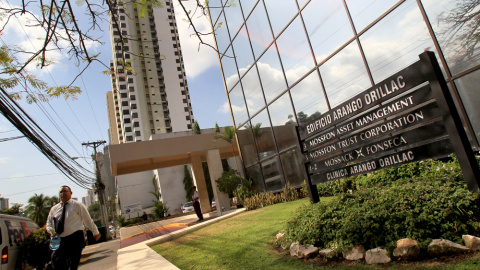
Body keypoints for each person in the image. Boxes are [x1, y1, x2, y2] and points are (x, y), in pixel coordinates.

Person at [46, 185, 101, 270]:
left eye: (65, 191)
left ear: (71, 193)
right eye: (60, 192)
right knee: (55, 259)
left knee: (73, 263)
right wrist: (52, 232)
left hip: (75, 238)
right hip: (61, 239)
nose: (62, 194)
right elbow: (48, 224)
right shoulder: (54, 209)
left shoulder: (78, 205)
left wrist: (95, 232)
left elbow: (87, 220)